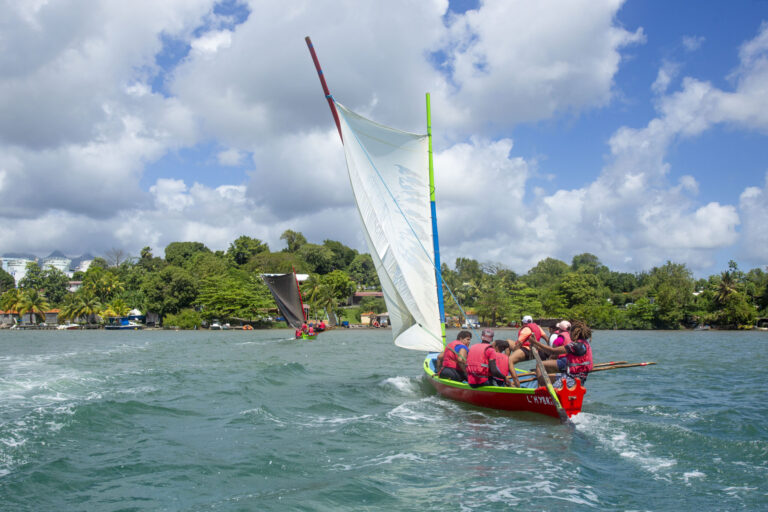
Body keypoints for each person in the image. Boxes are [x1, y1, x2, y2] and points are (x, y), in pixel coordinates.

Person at [528, 320, 593, 388]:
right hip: (579, 378)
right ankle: (542, 390)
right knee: (543, 379)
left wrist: (535, 342)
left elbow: (552, 351)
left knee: (544, 378)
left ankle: (543, 394)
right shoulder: (585, 343)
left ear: (574, 333)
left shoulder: (575, 346)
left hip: (571, 378)